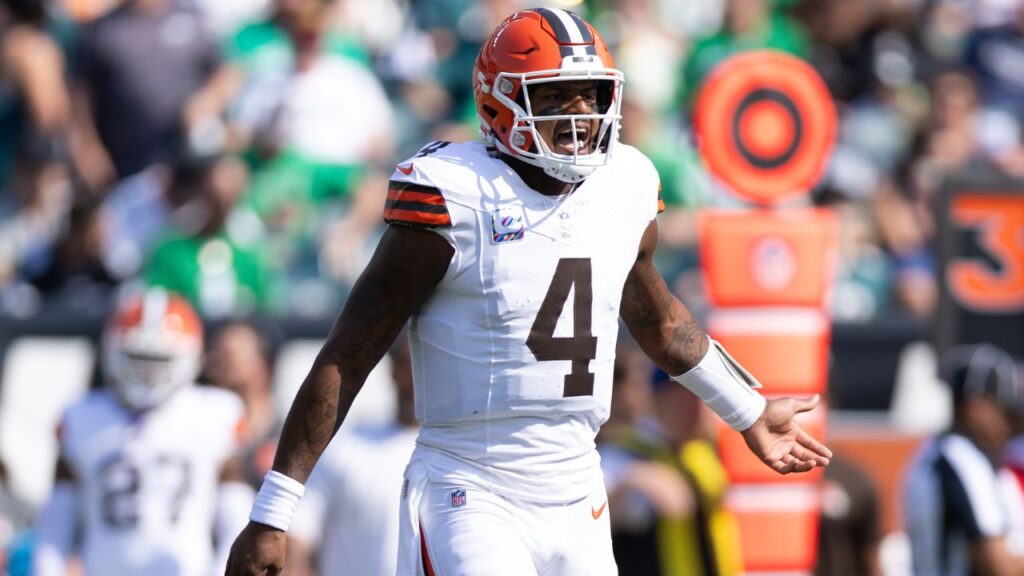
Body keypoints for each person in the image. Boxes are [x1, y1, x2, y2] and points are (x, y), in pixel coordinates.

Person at [226, 8, 832, 576]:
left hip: (579, 486)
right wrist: (273, 511)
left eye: (590, 95)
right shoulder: (455, 193)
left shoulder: (624, 184)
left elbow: (660, 322)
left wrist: (748, 411)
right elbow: (349, 353)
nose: (579, 114)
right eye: (554, 96)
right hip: (470, 485)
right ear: (499, 102)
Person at [31, 288, 254, 576]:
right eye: (137, 358)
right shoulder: (81, 415)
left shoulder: (216, 412)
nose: (148, 373)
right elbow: (57, 520)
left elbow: (235, 514)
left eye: (159, 360)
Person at [286, 337, 418, 576]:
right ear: (393, 370)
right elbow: (299, 537)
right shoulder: (345, 446)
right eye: (409, 363)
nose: (417, 376)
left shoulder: (465, 454)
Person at [904, 343, 1024, 575]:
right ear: (977, 408)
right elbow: (999, 564)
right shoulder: (964, 460)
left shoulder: (929, 452)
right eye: (1006, 413)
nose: (1009, 428)